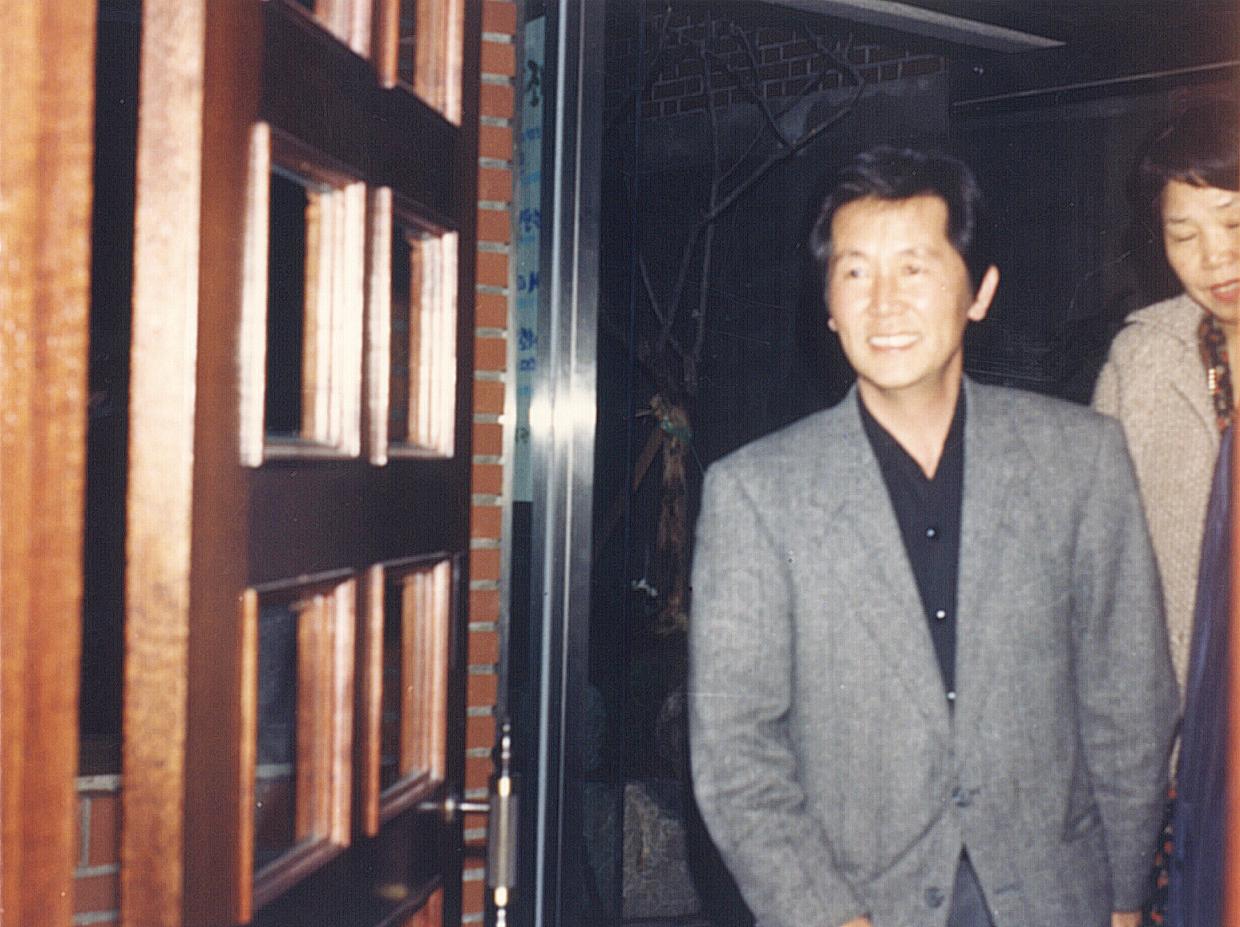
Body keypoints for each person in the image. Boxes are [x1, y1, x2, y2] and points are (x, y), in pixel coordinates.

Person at [688, 145, 1178, 927]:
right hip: (859, 902)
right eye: (856, 273)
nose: (884, 304)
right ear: (828, 302)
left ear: (980, 291)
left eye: (914, 269)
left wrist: (1123, 896)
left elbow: (1130, 696)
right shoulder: (756, 493)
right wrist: (826, 916)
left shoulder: (1079, 459)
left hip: (1058, 896)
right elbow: (735, 750)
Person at [1091, 98, 1239, 925]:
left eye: (1234, 222)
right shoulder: (1143, 363)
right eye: (1184, 234)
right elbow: (1099, 589)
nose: (1215, 257)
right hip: (1189, 759)